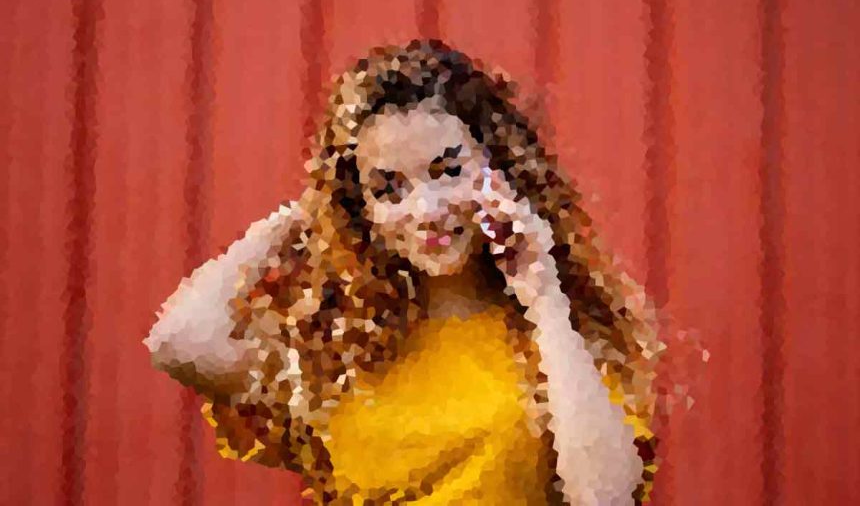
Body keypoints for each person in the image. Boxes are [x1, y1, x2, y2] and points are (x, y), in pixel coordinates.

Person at [143, 40, 670, 505]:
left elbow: (604, 498)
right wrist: (315, 209)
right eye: (389, 188)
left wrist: (544, 294)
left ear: (503, 168)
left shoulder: (556, 334)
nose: (425, 210)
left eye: (448, 170)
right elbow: (180, 340)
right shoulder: (339, 350)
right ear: (361, 208)